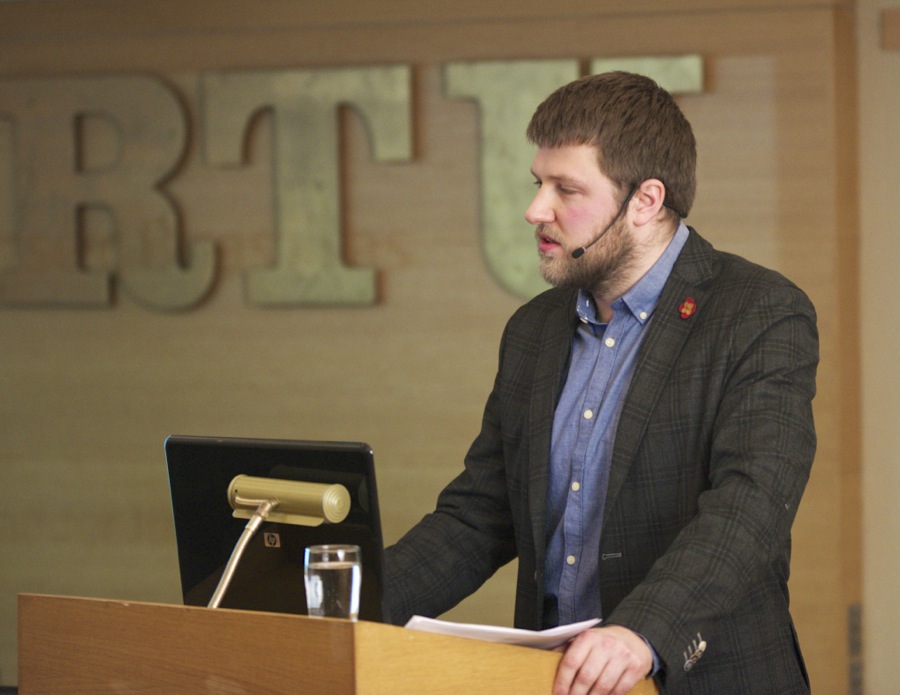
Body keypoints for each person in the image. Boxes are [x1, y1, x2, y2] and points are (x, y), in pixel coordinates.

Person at [383, 71, 818, 695]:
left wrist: (642, 633)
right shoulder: (533, 330)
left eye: (566, 189)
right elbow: (480, 516)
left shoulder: (760, 311)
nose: (536, 210)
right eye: (539, 184)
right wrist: (348, 602)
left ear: (645, 200)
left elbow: (750, 506)